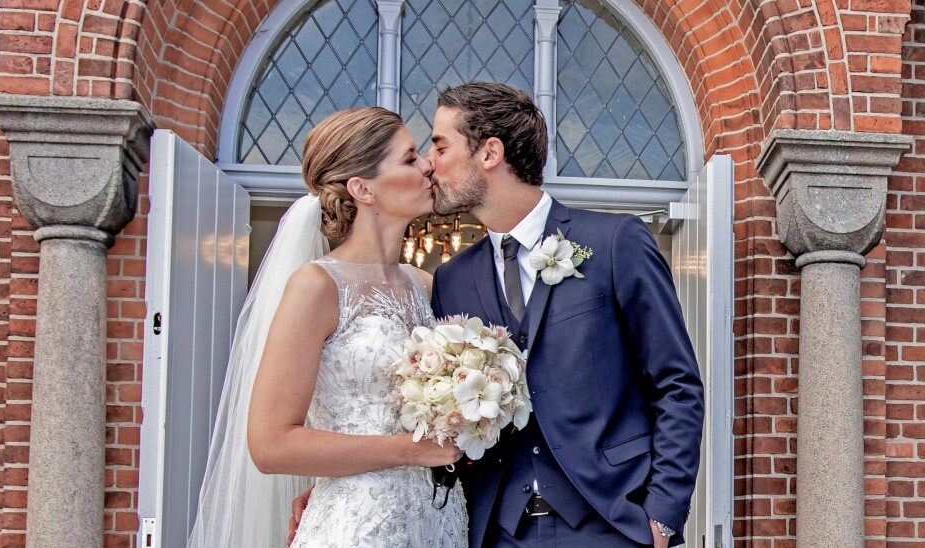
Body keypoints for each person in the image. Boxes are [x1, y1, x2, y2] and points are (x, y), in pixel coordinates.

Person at [291, 82, 704, 548]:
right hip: (494, 530)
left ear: (489, 153)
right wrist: (339, 486)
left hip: (612, 525)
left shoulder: (614, 243)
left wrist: (663, 516)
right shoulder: (450, 279)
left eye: (440, 145)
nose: (429, 161)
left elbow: (677, 384)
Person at [188, 107, 468, 547]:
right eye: (410, 158)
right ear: (362, 188)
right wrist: (408, 451)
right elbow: (271, 444)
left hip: (437, 519)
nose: (428, 165)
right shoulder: (317, 286)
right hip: (357, 527)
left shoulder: (425, 285)